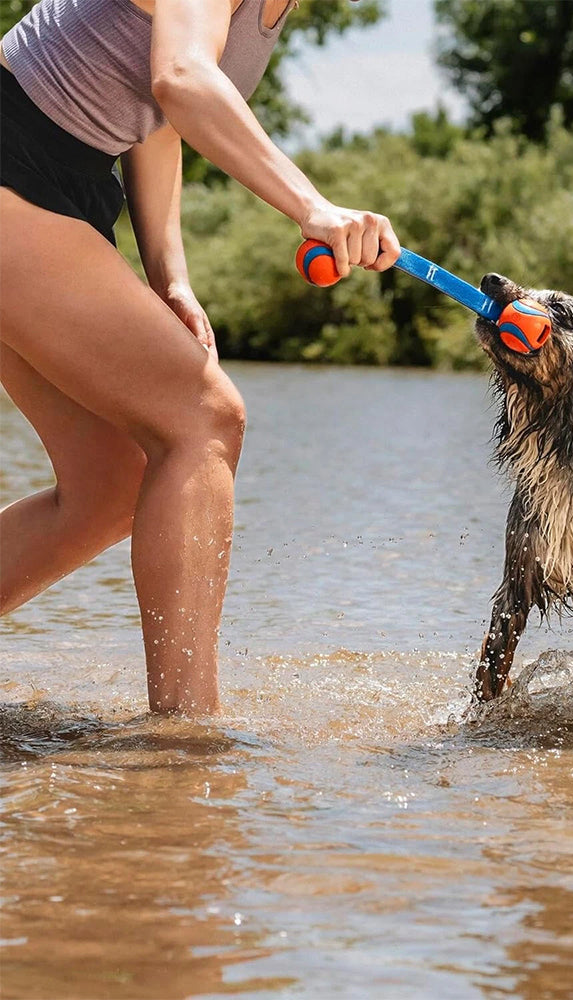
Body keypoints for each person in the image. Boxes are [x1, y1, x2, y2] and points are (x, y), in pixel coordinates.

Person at [0, 0, 401, 714]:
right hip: (14, 153)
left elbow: (157, 121)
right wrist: (313, 207)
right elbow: (181, 79)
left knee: (111, 487)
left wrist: (170, 277)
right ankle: (185, 740)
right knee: (205, 419)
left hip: (66, 182)